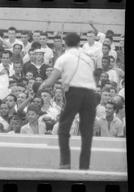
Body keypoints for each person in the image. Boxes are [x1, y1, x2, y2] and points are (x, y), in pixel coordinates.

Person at [39, 33, 97, 170]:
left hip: (74, 93)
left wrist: (42, 85)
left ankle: (65, 163)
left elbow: (52, 80)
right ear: (79, 43)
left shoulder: (63, 58)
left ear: (65, 43)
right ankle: (84, 167)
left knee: (63, 128)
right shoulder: (88, 59)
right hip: (90, 95)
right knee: (87, 132)